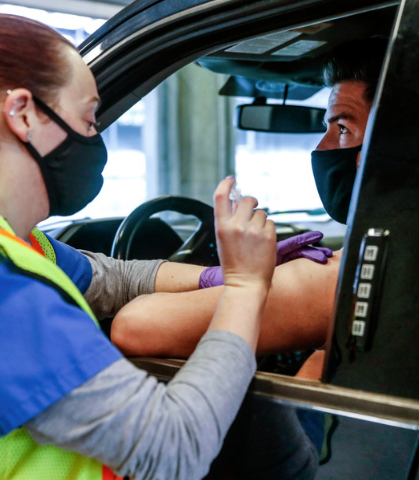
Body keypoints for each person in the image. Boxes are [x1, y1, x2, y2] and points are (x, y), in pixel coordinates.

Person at [0, 14, 285, 480]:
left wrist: (216, 275)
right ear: (22, 112)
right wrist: (245, 288)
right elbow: (174, 447)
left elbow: (108, 279)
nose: (94, 138)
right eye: (88, 118)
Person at [110, 37, 388, 362]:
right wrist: (219, 279)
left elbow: (136, 326)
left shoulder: (350, 270)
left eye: (342, 128)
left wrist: (245, 283)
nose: (321, 148)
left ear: (393, 142)